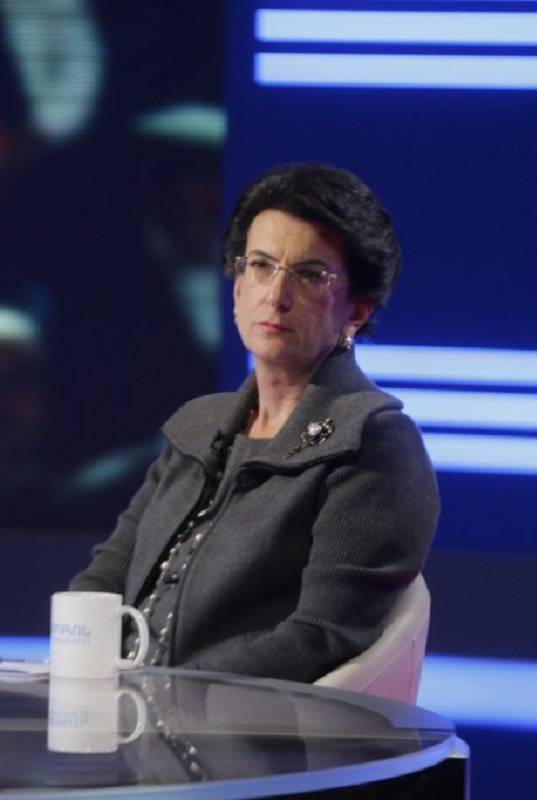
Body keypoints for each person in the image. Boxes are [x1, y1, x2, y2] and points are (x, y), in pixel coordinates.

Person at [69, 163, 439, 682]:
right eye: (261, 265)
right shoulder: (198, 428)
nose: (276, 295)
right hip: (122, 710)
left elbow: (321, 637)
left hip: (244, 722)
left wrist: (166, 691)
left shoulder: (372, 440)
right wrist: (79, 671)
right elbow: (104, 579)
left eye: (310, 274)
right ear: (237, 286)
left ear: (356, 310)